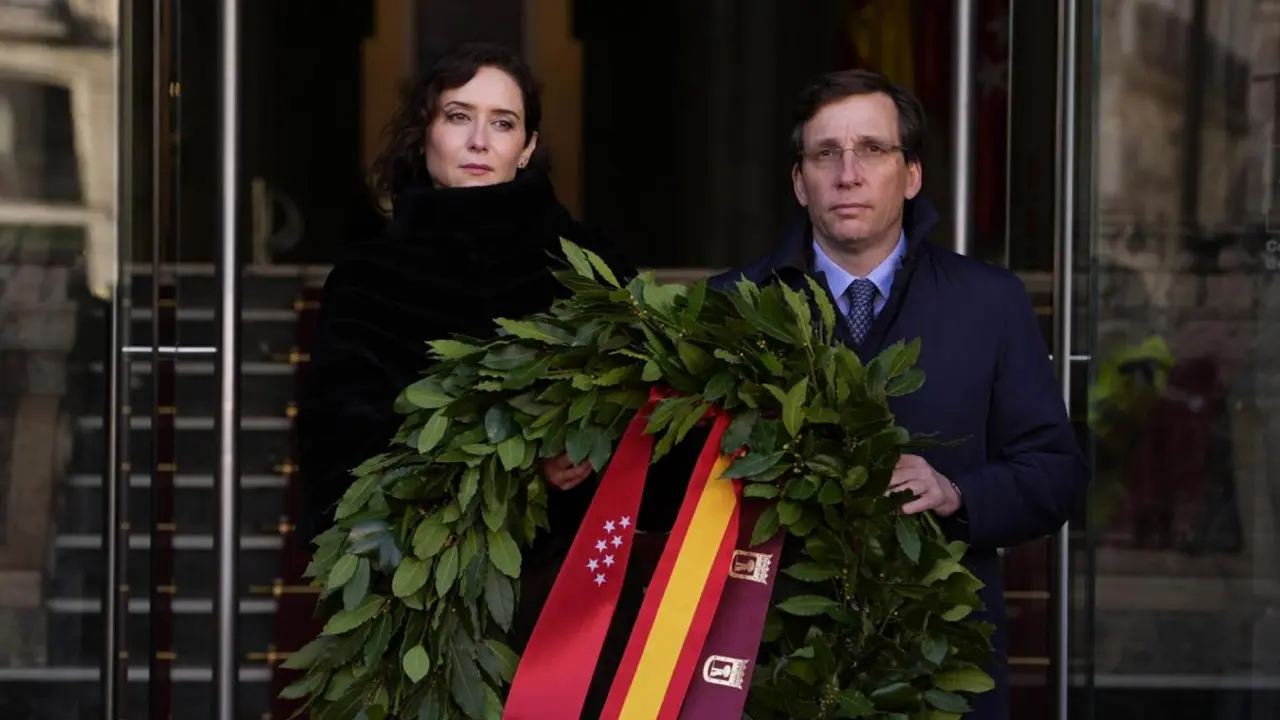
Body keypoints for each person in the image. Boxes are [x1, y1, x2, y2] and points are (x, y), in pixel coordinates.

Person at [710, 69, 1088, 720]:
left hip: (940, 661)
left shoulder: (990, 302)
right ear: (800, 183)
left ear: (911, 175)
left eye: (873, 150)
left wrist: (958, 492)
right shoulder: (734, 305)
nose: (848, 174)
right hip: (778, 664)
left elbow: (1055, 475)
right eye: (825, 153)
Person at [295, 41, 634, 632]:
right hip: (421, 610)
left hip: (580, 606)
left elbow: (655, 426)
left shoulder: (592, 269)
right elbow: (340, 464)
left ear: (527, 147)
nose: (480, 141)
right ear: (425, 133)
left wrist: (588, 446)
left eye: (503, 123)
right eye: (458, 116)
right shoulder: (367, 278)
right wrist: (522, 467)